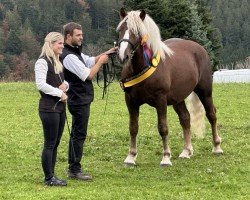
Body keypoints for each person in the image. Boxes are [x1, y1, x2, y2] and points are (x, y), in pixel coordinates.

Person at [60, 22, 116, 181]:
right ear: (68, 36)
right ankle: (74, 169)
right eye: (78, 35)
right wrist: (101, 62)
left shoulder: (74, 52)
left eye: (81, 34)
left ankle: (74, 166)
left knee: (78, 133)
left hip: (81, 99)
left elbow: (90, 60)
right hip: (77, 99)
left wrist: (107, 54)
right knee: (79, 134)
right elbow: (88, 75)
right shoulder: (69, 56)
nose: (81, 37)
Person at [35, 32, 69, 186]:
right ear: (51, 44)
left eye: (62, 43)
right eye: (59, 43)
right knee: (50, 143)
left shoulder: (57, 61)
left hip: (60, 108)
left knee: (55, 143)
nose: (62, 46)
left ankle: (52, 175)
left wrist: (65, 87)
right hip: (49, 109)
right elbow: (41, 85)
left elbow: (63, 81)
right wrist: (59, 93)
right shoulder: (42, 62)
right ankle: (48, 178)